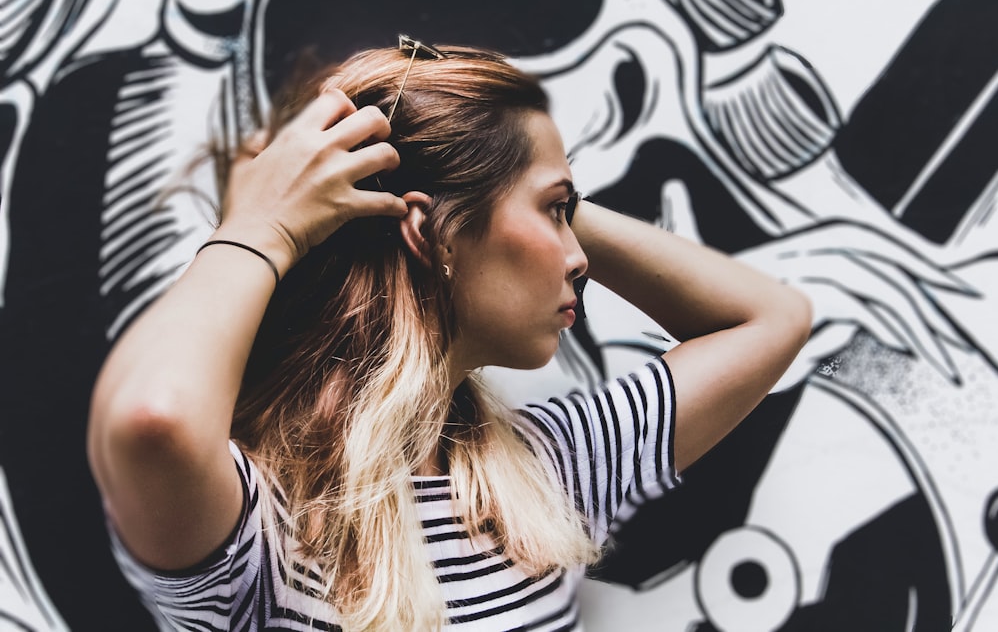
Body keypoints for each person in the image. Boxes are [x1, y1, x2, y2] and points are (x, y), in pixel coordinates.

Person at [87, 40, 811, 631]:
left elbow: (772, 320)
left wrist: (511, 187)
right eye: (557, 211)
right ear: (428, 232)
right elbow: (155, 420)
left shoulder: (546, 477)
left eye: (570, 213)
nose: (580, 257)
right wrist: (257, 229)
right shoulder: (263, 530)